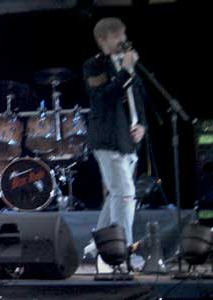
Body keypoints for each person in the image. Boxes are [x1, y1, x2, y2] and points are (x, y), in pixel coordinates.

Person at [83, 18, 147, 250]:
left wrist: (142, 126)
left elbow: (138, 99)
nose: (123, 40)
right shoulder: (94, 66)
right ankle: (122, 250)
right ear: (102, 40)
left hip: (128, 139)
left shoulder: (128, 63)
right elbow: (103, 96)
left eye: (123, 35)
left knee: (116, 195)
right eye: (117, 36)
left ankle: (98, 244)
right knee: (125, 193)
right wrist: (127, 70)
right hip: (108, 138)